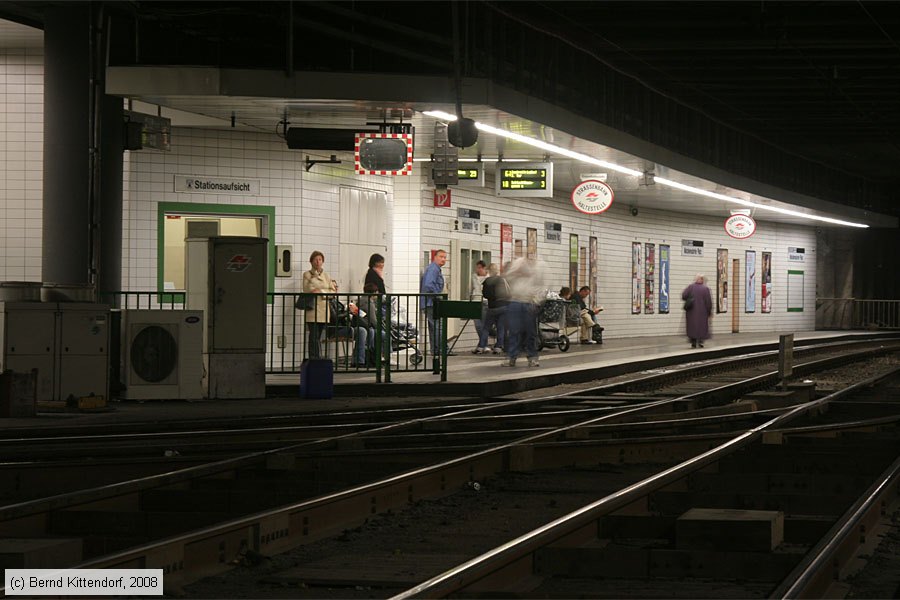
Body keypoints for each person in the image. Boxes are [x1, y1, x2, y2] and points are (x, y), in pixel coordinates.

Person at [502, 258, 542, 368]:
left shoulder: (537, 271)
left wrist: (537, 301)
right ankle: (511, 356)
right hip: (515, 301)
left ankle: (532, 357)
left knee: (530, 332)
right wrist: (515, 272)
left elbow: (542, 287)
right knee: (514, 331)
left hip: (529, 302)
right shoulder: (515, 268)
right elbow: (506, 278)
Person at [302, 250, 336, 359]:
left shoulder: (326, 275)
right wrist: (315, 279)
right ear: (311, 261)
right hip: (312, 310)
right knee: (313, 335)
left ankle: (318, 357)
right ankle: (313, 357)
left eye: (320, 259)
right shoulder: (307, 274)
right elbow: (308, 289)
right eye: (315, 259)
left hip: (324, 310)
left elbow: (332, 291)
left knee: (319, 335)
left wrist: (321, 292)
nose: (318, 262)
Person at [420, 249, 447, 360]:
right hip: (431, 302)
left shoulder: (436, 269)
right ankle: (439, 349)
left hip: (429, 302)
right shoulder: (433, 269)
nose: (443, 259)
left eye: (445, 257)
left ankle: (435, 350)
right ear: (434, 257)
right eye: (441, 256)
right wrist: (438, 295)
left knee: (433, 327)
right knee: (437, 326)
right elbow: (428, 286)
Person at [476, 263, 509, 354]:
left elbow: (485, 295)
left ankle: (481, 346)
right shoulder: (502, 280)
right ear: (497, 271)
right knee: (500, 327)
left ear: (489, 272)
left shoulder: (486, 281)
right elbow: (508, 292)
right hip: (502, 306)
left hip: (491, 307)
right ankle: (498, 347)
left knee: (486, 327)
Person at [682, 273, 713, 348]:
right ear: (702, 280)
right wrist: (709, 312)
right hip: (703, 313)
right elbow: (708, 302)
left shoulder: (690, 287)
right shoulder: (705, 289)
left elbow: (683, 296)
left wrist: (689, 298)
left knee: (692, 326)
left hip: (691, 312)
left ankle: (693, 342)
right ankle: (700, 342)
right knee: (702, 326)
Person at [470, 260, 488, 353]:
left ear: (484, 268)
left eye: (480, 268)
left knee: (483, 325)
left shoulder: (488, 278)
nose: (478, 270)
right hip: (475, 300)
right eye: (477, 268)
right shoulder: (474, 276)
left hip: (485, 301)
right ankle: (483, 344)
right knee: (477, 325)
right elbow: (472, 287)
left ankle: (482, 345)